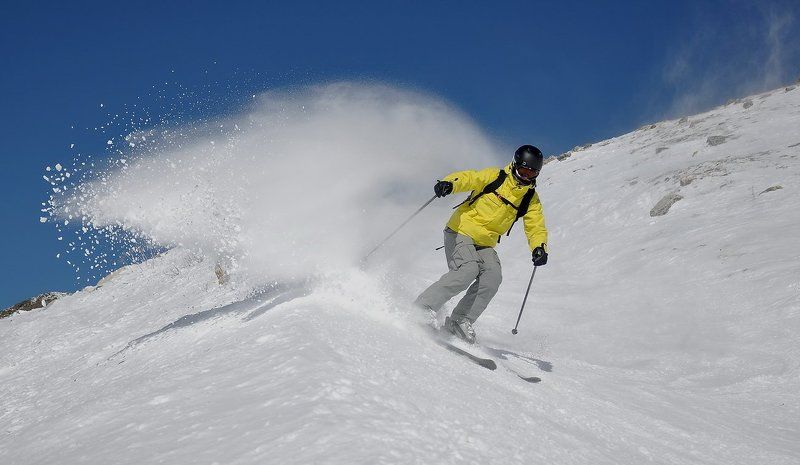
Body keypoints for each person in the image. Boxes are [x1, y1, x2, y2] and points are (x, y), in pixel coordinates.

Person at [415, 145, 549, 343]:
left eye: (531, 172)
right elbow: (470, 177)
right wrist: (449, 183)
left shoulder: (530, 198)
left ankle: (460, 321)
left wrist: (539, 247)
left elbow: (535, 225)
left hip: (485, 243)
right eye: (523, 170)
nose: (526, 175)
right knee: (467, 270)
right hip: (461, 231)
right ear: (514, 165)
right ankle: (423, 307)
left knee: (493, 277)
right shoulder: (497, 176)